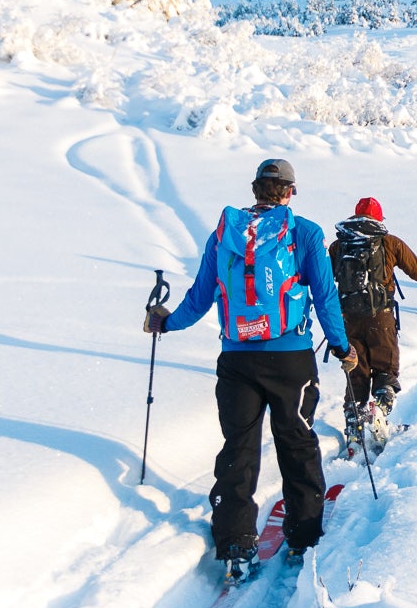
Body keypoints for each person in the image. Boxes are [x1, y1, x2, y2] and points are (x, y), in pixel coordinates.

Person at [145, 157, 354, 584]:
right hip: (292, 357)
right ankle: (303, 536)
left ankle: (236, 543)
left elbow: (201, 296)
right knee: (296, 441)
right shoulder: (305, 233)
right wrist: (341, 345)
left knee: (239, 447)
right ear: (290, 191)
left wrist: (166, 322)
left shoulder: (224, 234)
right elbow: (325, 295)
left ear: (255, 189)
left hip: (236, 357)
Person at [329, 195, 417, 454]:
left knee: (356, 371)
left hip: (348, 319)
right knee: (385, 368)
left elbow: (325, 277)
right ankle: (380, 411)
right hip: (381, 317)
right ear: (378, 218)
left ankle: (354, 424)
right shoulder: (389, 242)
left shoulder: (339, 245)